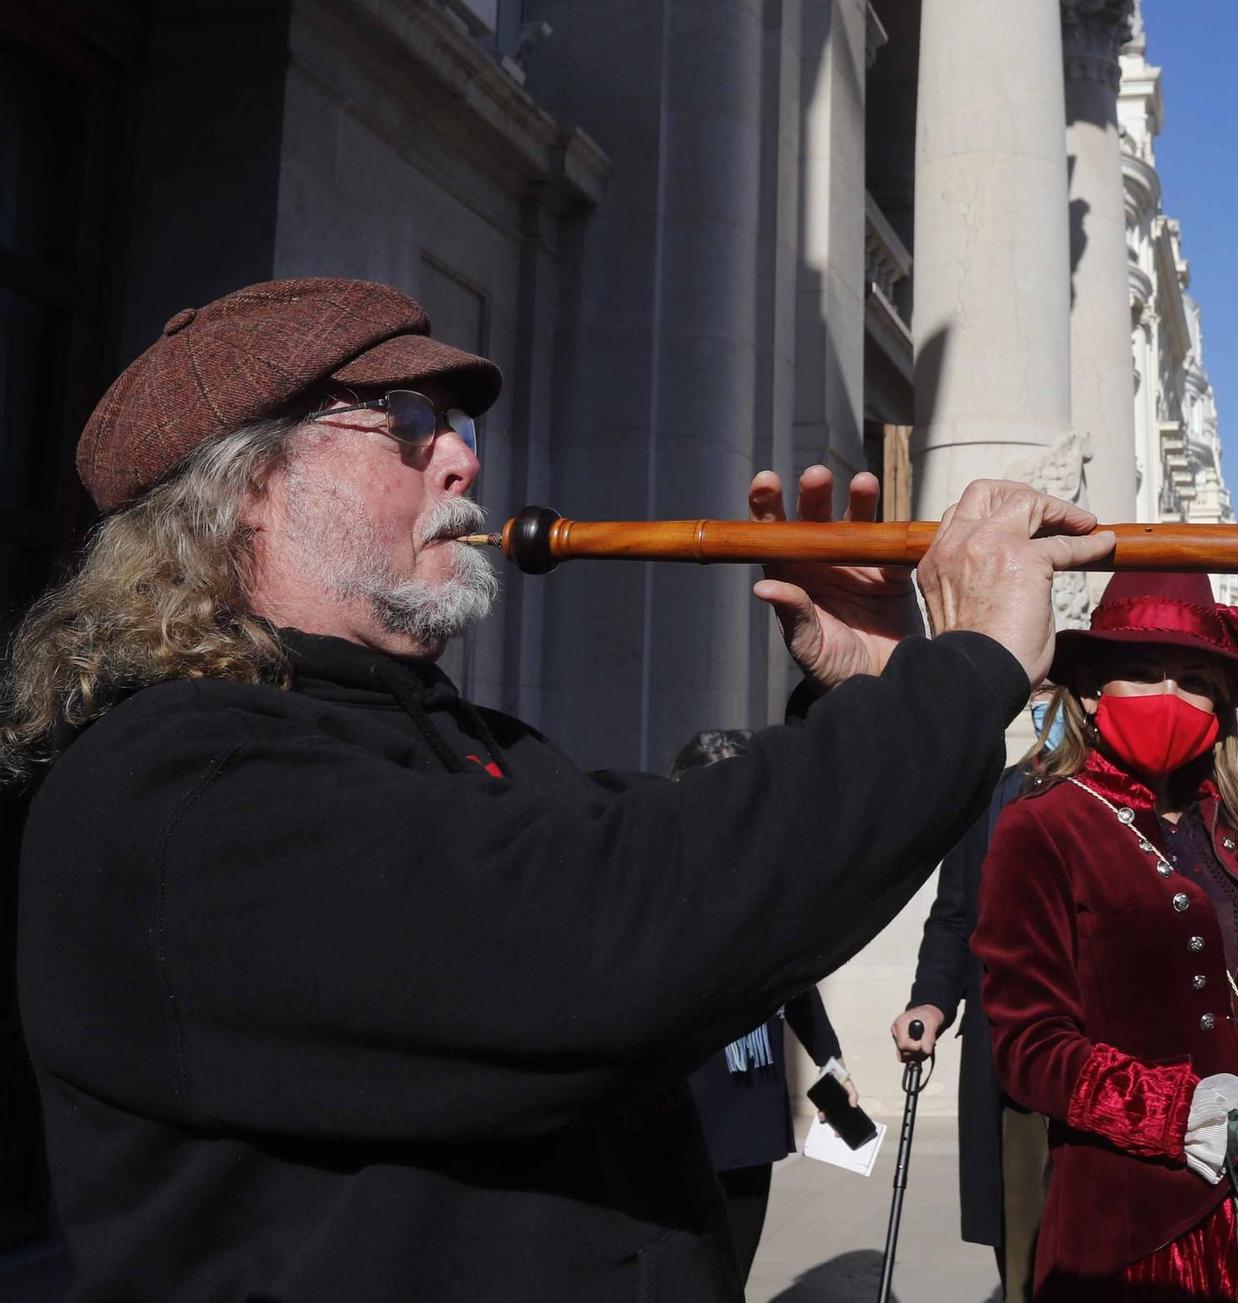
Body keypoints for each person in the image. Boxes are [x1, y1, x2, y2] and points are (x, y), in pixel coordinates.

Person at [0, 277, 1114, 1301]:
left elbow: (698, 875)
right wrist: (959, 670)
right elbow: (621, 937)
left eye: (456, 426)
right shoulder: (176, 791)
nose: (461, 462)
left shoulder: (461, 740)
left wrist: (865, 693)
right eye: (403, 423)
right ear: (246, 490)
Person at [972, 571, 1238, 1302]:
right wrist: (1186, 1112)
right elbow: (1029, 1045)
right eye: (1143, 673)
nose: (1169, 698)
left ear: (1220, 707)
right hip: (1131, 1237)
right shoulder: (1043, 826)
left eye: (1195, 680)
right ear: (1091, 692)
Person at [673, 728, 858, 1284]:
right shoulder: (666, 877)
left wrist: (830, 1063)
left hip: (751, 1101)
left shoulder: (776, 882)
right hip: (685, 1103)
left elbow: (795, 984)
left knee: (735, 1266)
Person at [892, 688, 1057, 1303]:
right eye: (1038, 690)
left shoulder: (1130, 791)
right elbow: (956, 917)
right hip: (1008, 1054)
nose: (1047, 701)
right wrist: (931, 1002)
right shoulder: (997, 793)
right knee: (1019, 1248)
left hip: (1110, 1055)